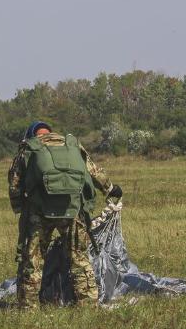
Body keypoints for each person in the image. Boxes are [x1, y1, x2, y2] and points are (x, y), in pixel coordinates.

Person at [8, 121, 122, 308]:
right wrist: (110, 188)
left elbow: (14, 184)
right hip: (73, 209)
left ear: (31, 134)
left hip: (39, 212)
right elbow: (93, 171)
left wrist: (20, 207)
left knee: (33, 262)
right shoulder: (71, 144)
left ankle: (28, 308)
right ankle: (87, 305)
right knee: (79, 259)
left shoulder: (29, 148)